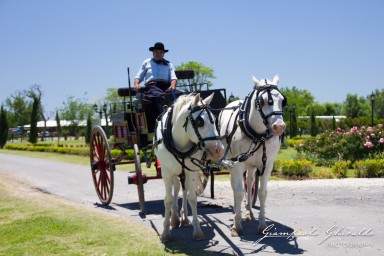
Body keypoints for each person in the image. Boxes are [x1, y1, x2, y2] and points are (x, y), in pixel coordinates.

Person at [134, 42, 177, 116]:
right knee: (160, 96)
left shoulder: (169, 64)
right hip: (152, 86)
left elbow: (173, 78)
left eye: (161, 52)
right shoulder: (147, 62)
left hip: (166, 86)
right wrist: (136, 84)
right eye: (156, 52)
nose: (158, 54)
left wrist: (172, 85)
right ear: (153, 53)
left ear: (163, 54)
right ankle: (163, 117)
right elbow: (138, 76)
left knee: (181, 95)